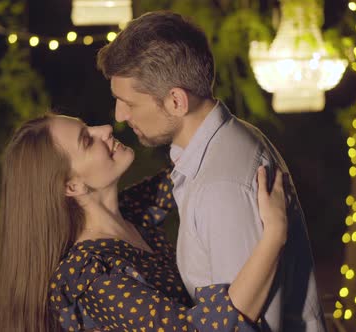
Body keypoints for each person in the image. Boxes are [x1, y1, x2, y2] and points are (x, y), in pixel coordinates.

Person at [96, 10, 326, 331]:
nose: (120, 115)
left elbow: (248, 323)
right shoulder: (218, 146)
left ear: (176, 101)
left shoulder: (222, 186)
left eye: (129, 103)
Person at [0, 113, 289, 331]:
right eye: (87, 140)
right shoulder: (90, 275)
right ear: (71, 186)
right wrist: (274, 233)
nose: (106, 129)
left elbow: (195, 164)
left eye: (89, 126)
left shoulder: (130, 212)